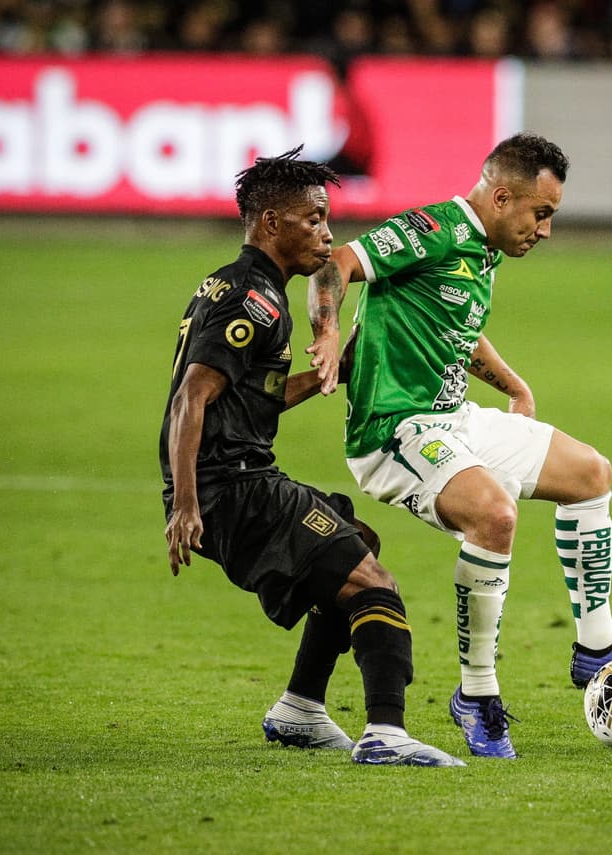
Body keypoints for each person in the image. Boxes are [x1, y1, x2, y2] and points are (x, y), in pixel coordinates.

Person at [305, 132, 612, 760]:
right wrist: (328, 328)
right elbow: (334, 263)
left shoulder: (483, 251)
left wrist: (513, 383)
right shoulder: (433, 229)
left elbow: (458, 331)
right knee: (494, 516)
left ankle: (596, 646)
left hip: (453, 420)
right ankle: (476, 694)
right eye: (542, 213)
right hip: (395, 430)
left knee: (591, 473)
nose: (546, 230)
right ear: (502, 197)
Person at [161, 146, 464, 768]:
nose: (328, 235)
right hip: (233, 489)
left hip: (237, 480)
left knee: (356, 541)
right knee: (372, 581)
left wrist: (335, 372)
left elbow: (250, 396)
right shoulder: (254, 299)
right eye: (314, 220)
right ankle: (386, 734)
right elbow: (192, 399)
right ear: (271, 223)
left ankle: (301, 707)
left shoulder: (242, 283)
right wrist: (187, 506)